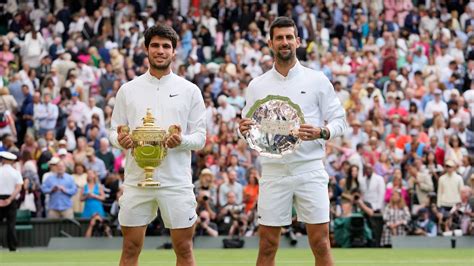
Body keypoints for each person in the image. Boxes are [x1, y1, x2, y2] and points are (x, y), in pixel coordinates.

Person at [239, 17, 347, 266]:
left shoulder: (317, 79)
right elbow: (248, 129)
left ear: (298, 41)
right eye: (279, 38)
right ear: (270, 43)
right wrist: (242, 130)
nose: (285, 42)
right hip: (274, 172)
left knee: (320, 243)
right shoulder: (257, 85)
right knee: (267, 245)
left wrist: (322, 132)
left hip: (309, 169)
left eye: (289, 37)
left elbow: (339, 121)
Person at [109, 24, 206, 266]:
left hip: (176, 182)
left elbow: (200, 138)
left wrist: (180, 141)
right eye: (155, 45)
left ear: (174, 52)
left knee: (184, 249)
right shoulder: (127, 90)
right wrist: (120, 140)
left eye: (166, 46)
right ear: (146, 49)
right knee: (130, 248)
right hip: (136, 180)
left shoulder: (190, 90)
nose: (160, 50)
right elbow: (114, 131)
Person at [0, 152, 23, 252]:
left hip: (2, 198)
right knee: (11, 224)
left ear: (3, 160)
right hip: (11, 199)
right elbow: (18, 188)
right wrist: (9, 199)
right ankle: (12, 247)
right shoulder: (16, 172)